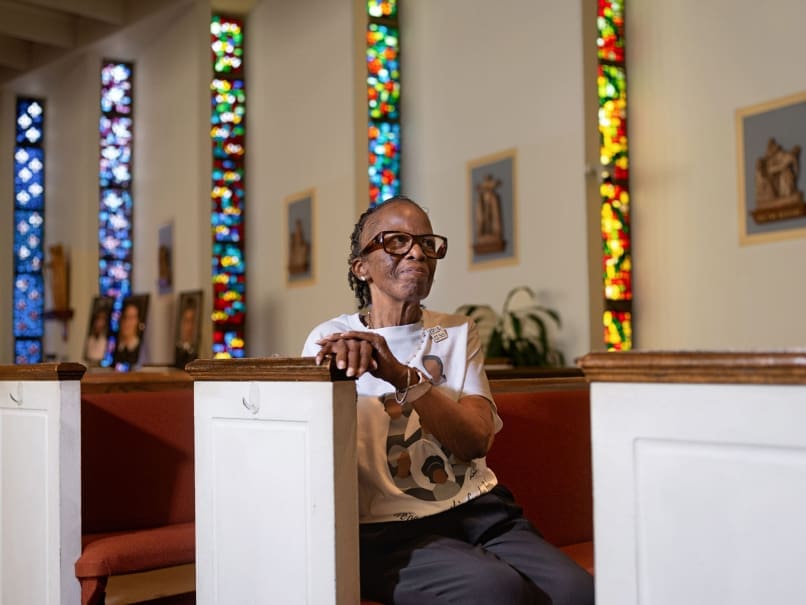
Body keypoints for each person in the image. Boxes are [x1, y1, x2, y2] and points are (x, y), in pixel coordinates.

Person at [302, 195, 594, 605]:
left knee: (578, 593)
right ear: (361, 267)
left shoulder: (456, 332)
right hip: (387, 530)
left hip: (481, 511)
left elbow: (475, 440)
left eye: (426, 242)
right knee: (496, 592)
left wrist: (400, 376)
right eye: (396, 241)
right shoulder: (331, 339)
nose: (417, 252)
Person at [114, 299, 143, 367]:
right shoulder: (113, 348)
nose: (127, 322)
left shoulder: (141, 349)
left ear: (138, 321)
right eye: (124, 317)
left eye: (131, 318)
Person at [174, 297, 199, 369]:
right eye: (187, 321)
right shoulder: (177, 350)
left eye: (192, 321)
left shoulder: (197, 351)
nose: (190, 327)